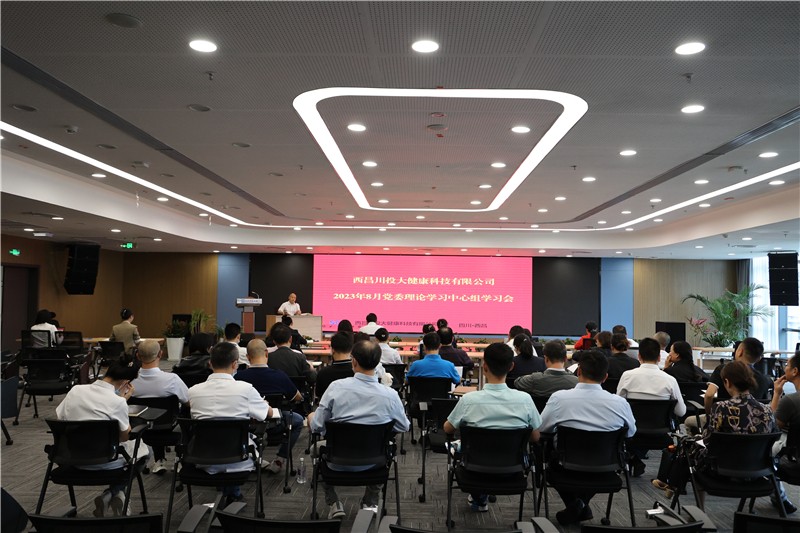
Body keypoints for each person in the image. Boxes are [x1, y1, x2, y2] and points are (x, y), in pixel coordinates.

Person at [308, 340, 410, 519]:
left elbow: (317, 426)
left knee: (313, 450)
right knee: (387, 447)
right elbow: (404, 426)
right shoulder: (390, 395)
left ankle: (333, 502)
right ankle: (370, 501)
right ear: (378, 363)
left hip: (335, 460)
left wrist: (311, 417)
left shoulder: (335, 388)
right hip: (375, 462)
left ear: (353, 361)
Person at [539, 350, 636, 526]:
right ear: (605, 377)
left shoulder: (559, 398)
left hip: (565, 466)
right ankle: (580, 504)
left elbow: (542, 429)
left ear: (578, 372)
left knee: (547, 454)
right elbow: (630, 433)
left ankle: (577, 504)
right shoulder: (620, 403)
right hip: (606, 467)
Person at [443, 342, 541, 512]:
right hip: (512, 470)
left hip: (474, 469)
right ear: (511, 367)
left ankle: (479, 497)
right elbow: (535, 437)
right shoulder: (525, 400)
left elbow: (447, 429)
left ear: (485, 366)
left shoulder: (469, 400)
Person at [56, 357, 149, 517]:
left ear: (107, 371)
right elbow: (124, 437)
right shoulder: (117, 402)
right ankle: (112, 492)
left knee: (127, 452)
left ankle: (113, 495)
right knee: (146, 452)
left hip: (72, 458)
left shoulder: (75, 391)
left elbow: (60, 418)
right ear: (126, 382)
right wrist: (122, 400)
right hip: (107, 462)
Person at [188, 342, 272, 506]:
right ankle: (233, 495)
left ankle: (229, 494)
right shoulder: (246, 390)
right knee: (257, 437)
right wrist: (264, 404)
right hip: (239, 459)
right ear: (235, 364)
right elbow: (266, 414)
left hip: (202, 457)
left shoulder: (193, 391)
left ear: (210, 364)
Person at [691, 361, 779, 507]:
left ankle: (698, 508)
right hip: (757, 470)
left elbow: (708, 441)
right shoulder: (767, 410)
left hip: (721, 470)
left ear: (727, 382)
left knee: (689, 448)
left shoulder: (720, 408)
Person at [616, 338, 686, 476]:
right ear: (659, 357)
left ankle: (634, 457)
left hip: (632, 432)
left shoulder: (627, 376)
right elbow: (681, 411)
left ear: (639, 356)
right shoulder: (669, 380)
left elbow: (619, 405)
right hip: (660, 433)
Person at [235, 339, 304, 474]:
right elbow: (297, 397)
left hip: (247, 426)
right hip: (275, 425)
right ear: (267, 353)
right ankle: (280, 459)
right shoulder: (279, 376)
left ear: (248, 357)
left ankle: (253, 458)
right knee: (297, 420)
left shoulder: (238, 377)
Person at [130, 339, 190, 475]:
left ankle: (159, 460)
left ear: (138, 356)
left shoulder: (130, 382)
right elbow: (188, 402)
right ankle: (180, 459)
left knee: (152, 416)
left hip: (139, 430)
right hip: (169, 427)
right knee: (182, 413)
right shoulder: (172, 379)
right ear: (160, 354)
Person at [771, 352, 800, 514]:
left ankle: (779, 498)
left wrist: (776, 394)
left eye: (787, 365)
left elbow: (771, 428)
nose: (784, 368)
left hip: (795, 464)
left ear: (795, 371)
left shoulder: (790, 401)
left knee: (763, 451)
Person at [315, 332, 356, 399]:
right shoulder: (356, 372)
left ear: (332, 350)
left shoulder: (323, 373)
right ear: (351, 350)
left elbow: (319, 395)